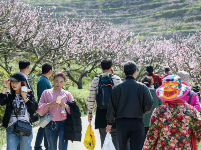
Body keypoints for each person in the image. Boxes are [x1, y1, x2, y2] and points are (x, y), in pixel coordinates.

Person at [143, 75, 201, 150]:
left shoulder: (158, 111)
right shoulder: (192, 111)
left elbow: (151, 137)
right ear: (180, 91)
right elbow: (199, 133)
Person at [106, 61, 154, 150]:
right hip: (137, 121)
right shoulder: (143, 87)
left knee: (122, 148)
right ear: (135, 71)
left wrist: (109, 122)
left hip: (121, 122)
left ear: (124, 72)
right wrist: (144, 111)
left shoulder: (116, 88)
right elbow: (150, 103)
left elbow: (111, 107)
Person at [88, 59, 121, 150]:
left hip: (101, 112)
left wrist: (90, 112)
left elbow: (91, 97)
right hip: (115, 112)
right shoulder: (116, 79)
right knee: (115, 136)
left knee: (103, 137)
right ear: (111, 67)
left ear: (101, 67)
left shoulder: (96, 79)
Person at [0, 73, 38, 150]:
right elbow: (1, 102)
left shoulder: (29, 93)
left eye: (16, 82)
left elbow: (34, 108)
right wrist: (4, 87)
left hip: (25, 127)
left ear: (22, 82)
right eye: (12, 82)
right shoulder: (9, 94)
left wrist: (25, 98)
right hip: (11, 127)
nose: (14, 84)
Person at [37, 72, 73, 150]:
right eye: (56, 81)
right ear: (53, 80)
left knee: (63, 147)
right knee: (51, 147)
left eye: (61, 82)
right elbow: (39, 109)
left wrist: (65, 106)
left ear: (64, 82)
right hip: (50, 123)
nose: (58, 83)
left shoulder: (67, 94)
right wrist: (48, 105)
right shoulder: (46, 93)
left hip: (64, 123)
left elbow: (74, 110)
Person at [35, 63, 53, 150]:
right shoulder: (43, 80)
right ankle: (40, 146)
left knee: (43, 126)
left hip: (46, 107)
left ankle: (40, 146)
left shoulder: (44, 79)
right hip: (44, 108)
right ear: (50, 71)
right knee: (44, 127)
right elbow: (43, 95)